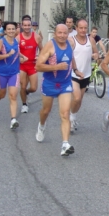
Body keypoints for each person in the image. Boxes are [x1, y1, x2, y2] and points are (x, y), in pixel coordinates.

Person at [35, 24, 84, 156]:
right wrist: (55, 67)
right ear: (55, 33)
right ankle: (41, 125)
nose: (62, 35)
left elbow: (71, 57)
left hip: (65, 83)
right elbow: (38, 66)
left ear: (68, 33)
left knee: (65, 114)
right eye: (59, 33)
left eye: (65, 33)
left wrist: (75, 70)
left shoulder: (70, 44)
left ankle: (65, 144)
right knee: (46, 111)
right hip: (50, 83)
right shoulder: (49, 46)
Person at [68, 19, 99, 132]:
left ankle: (73, 116)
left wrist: (96, 56)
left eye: (85, 28)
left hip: (86, 75)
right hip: (73, 74)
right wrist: (74, 69)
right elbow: (66, 55)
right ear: (76, 28)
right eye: (80, 28)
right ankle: (70, 119)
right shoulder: (71, 40)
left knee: (79, 99)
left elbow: (96, 53)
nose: (83, 30)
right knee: (76, 97)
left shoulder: (91, 40)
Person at [0, 21, 21, 129]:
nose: (11, 31)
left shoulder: (17, 41)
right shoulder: (1, 42)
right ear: (5, 31)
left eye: (13, 29)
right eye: (9, 29)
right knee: (2, 94)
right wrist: (7, 54)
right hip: (2, 73)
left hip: (14, 72)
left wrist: (21, 56)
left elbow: (17, 52)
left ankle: (13, 119)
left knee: (13, 95)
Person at [18, 16, 43, 113]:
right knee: (23, 86)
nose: (27, 27)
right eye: (25, 25)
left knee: (33, 88)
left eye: (29, 25)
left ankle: (27, 92)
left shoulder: (36, 37)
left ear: (31, 26)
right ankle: (24, 104)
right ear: (22, 26)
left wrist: (39, 57)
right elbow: (15, 51)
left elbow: (43, 50)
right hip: (22, 66)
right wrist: (19, 58)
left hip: (32, 65)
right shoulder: (18, 37)